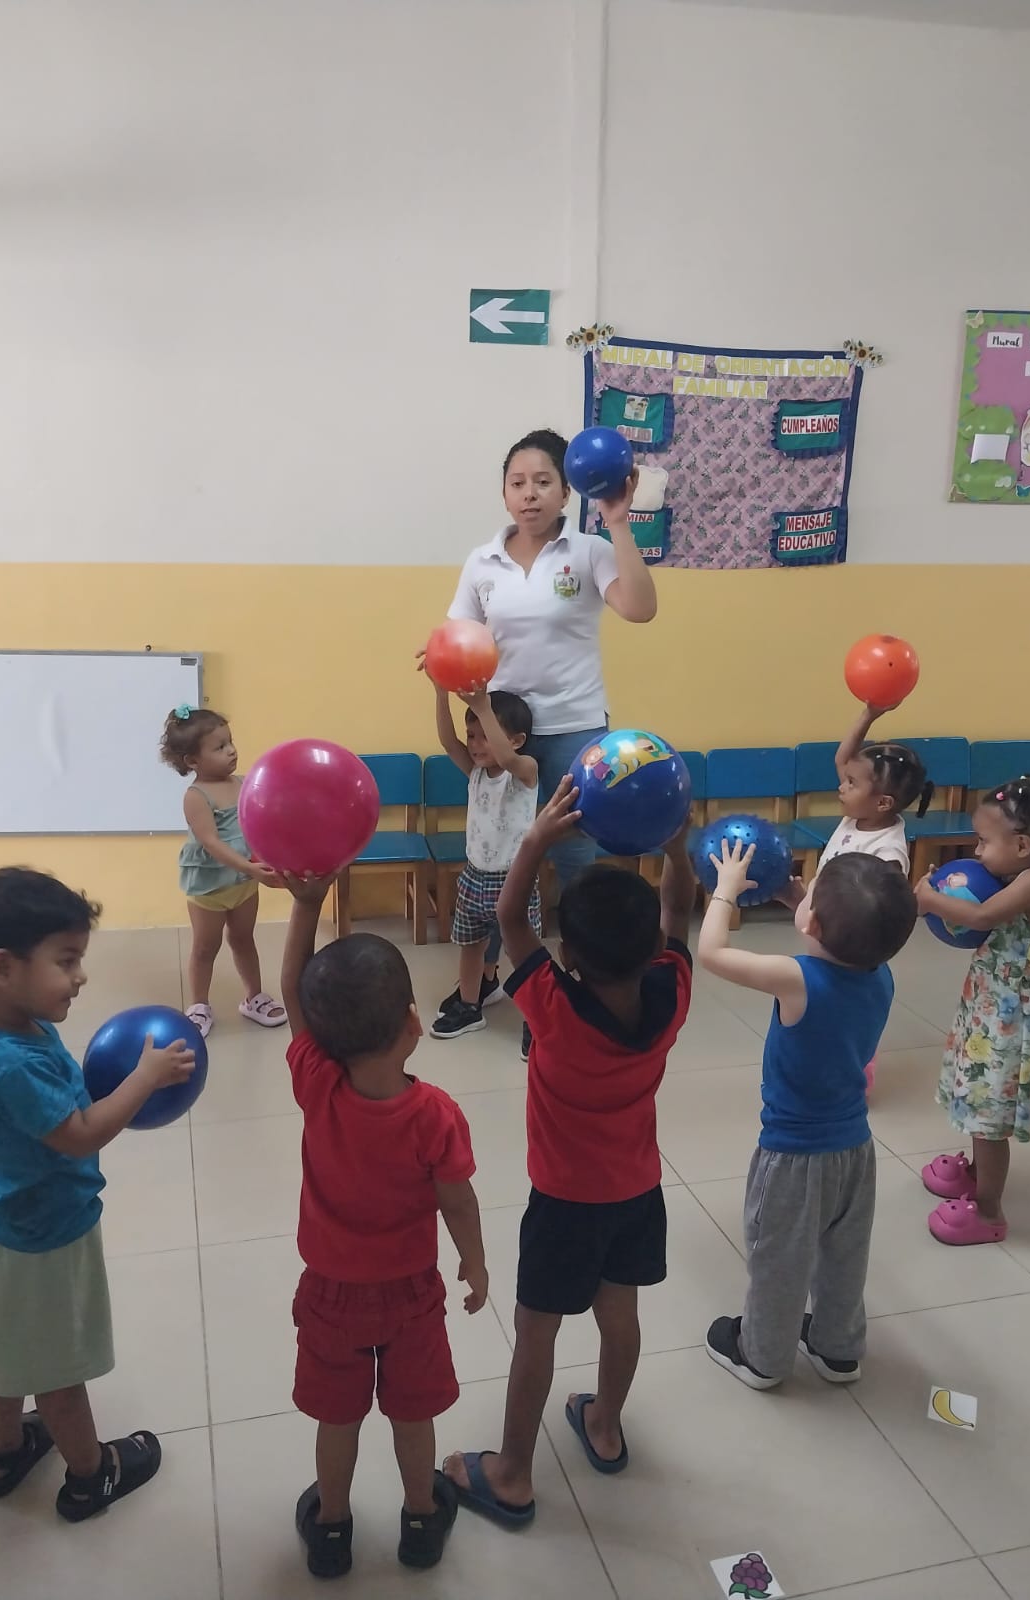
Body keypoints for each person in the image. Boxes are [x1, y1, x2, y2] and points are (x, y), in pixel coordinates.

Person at [443, 777, 694, 1526]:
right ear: (650, 950)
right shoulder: (671, 994)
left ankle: (512, 1474)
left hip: (564, 1204)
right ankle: (606, 1426)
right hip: (637, 1193)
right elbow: (679, 909)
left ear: (569, 955)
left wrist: (533, 840)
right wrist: (678, 850)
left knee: (537, 1331)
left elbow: (505, 919)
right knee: (621, 1313)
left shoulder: (552, 1010)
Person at [0, 867, 196, 1519]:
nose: (80, 976)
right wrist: (145, 1078)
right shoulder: (12, 1065)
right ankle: (90, 1474)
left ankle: (4, 1452)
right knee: (59, 1375)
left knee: (0, 1355)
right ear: (3, 968)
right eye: (66, 960)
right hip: (41, 1242)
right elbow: (81, 1134)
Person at [278, 872, 488, 1577]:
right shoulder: (435, 1115)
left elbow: (292, 993)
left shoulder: (318, 1084)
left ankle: (332, 1528)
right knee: (412, 1413)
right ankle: (421, 1518)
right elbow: (458, 1200)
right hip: (411, 1295)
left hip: (331, 1293)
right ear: (412, 1023)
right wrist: (474, 1260)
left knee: (337, 1417)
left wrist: (307, 906)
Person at [435, 427, 659, 1052]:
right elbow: (458, 638)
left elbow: (641, 608)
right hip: (503, 735)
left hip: (577, 735)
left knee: (576, 871)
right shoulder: (482, 562)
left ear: (566, 491)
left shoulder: (588, 551)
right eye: (517, 482)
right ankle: (496, 983)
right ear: (504, 493)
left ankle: (578, 995)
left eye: (542, 482)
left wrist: (619, 520)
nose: (529, 493)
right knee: (503, 868)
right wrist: (440, 666)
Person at [700, 843, 917, 1389]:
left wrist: (725, 889)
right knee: (844, 1255)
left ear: (812, 925)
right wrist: (800, 899)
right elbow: (846, 935)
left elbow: (713, 952)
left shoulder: (796, 979)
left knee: (779, 1257)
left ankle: (763, 1357)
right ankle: (837, 1348)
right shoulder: (881, 974)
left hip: (794, 1157)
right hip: (856, 1150)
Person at [916, 776, 1030, 1245]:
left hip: (1009, 1025)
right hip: (992, 1008)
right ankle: (976, 1175)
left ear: (1024, 845)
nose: (977, 850)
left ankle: (989, 1213)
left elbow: (982, 916)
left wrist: (929, 898)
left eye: (984, 842)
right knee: (979, 1108)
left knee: (990, 1121)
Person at [779, 701, 931, 1093]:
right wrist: (868, 715)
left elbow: (871, 912)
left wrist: (809, 911)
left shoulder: (888, 851)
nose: (841, 786)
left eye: (851, 783)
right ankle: (825, 1069)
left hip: (851, 954)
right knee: (819, 1013)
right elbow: (843, 759)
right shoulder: (856, 817)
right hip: (826, 939)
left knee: (845, 1015)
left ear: (883, 802)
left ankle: (855, 1076)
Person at [160, 704, 285, 1038]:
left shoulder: (244, 784)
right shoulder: (196, 796)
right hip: (210, 885)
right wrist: (252, 868)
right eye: (219, 747)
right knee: (205, 947)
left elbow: (260, 824)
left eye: (230, 742)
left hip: (244, 881)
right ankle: (199, 1005)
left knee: (243, 939)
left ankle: (254, 997)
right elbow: (212, 842)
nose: (231, 750)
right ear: (192, 761)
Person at [427, 684, 540, 1040]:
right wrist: (440, 693)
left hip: (514, 880)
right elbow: (449, 742)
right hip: (475, 876)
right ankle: (469, 1006)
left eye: (485, 736)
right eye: (472, 735)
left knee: (523, 952)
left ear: (517, 741)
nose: (475, 744)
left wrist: (483, 706)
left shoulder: (524, 770)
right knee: (471, 945)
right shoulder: (476, 772)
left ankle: (536, 1019)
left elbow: (507, 760)